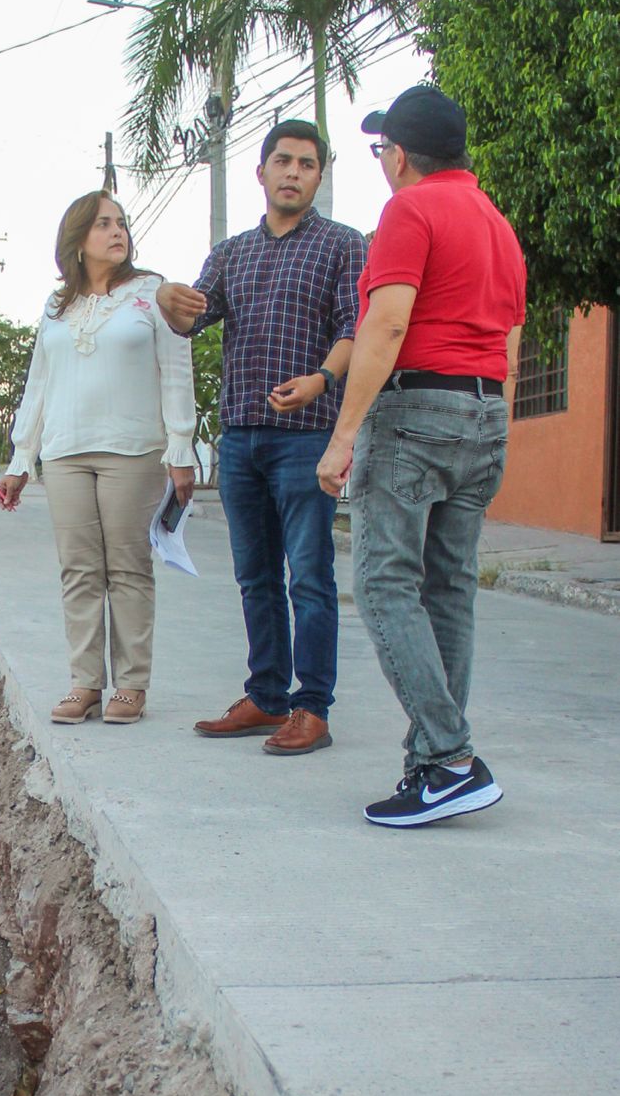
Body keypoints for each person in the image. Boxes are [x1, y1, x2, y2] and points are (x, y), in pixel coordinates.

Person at [315, 85, 526, 826]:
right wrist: (489, 419)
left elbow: (387, 320)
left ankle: (450, 755)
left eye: (381, 152)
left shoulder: (410, 209)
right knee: (447, 591)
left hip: (413, 412)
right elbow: (508, 341)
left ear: (399, 155)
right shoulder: (496, 223)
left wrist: (344, 435)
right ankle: (433, 770)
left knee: (380, 584)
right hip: (481, 409)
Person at [156, 121, 367, 754]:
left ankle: (312, 707)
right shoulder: (231, 252)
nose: (294, 173)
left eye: (307, 164)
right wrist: (166, 297)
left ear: (320, 177)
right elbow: (191, 318)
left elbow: (356, 329)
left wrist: (322, 380)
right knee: (255, 577)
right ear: (262, 172)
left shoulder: (343, 245)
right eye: (283, 161)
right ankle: (267, 694)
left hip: (305, 436)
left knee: (309, 575)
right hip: (242, 437)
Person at [0, 190, 197, 726]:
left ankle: (130, 685)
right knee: (79, 570)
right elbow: (38, 383)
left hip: (132, 451)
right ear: (78, 239)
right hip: (64, 452)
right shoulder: (56, 306)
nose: (118, 232)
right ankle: (85, 681)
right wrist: (22, 458)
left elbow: (177, 372)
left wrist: (182, 449)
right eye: (104, 224)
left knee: (128, 568)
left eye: (122, 223)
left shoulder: (152, 294)